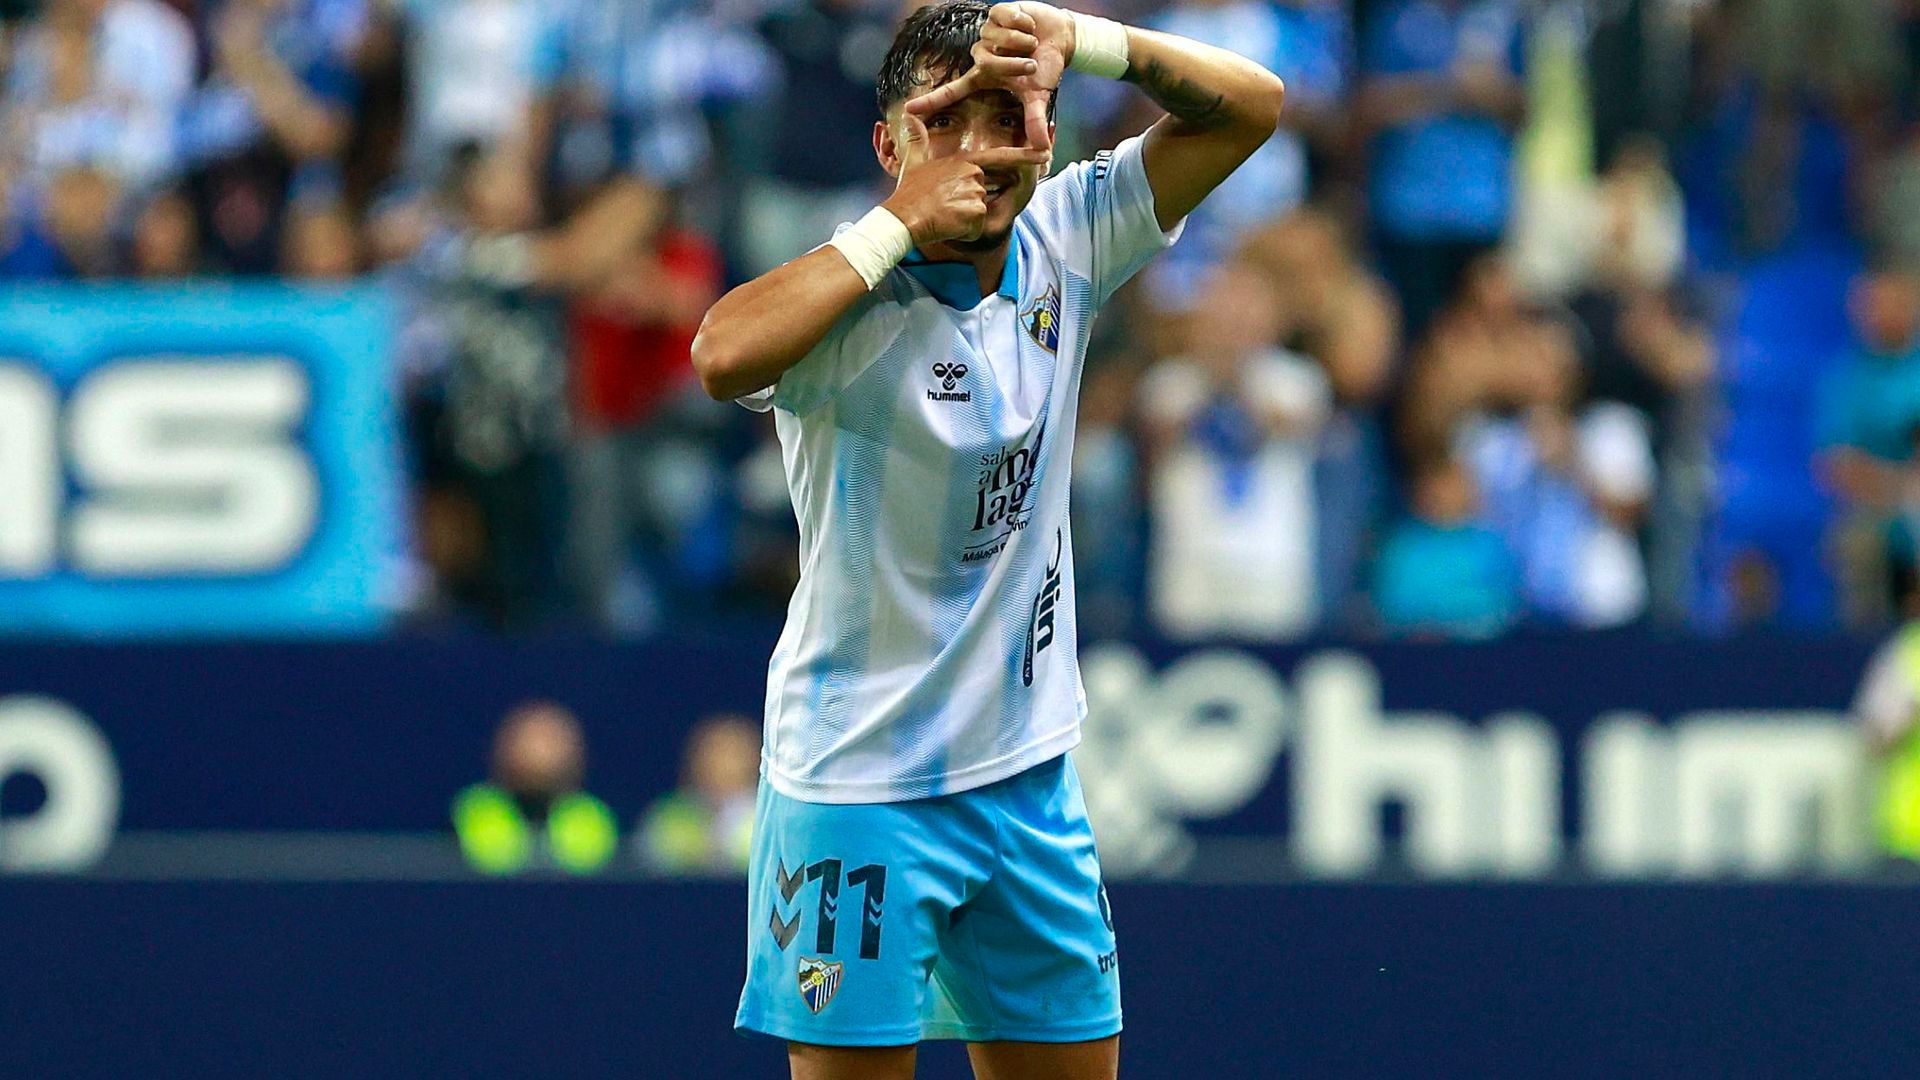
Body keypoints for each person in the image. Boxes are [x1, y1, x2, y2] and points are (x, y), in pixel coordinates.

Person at [690, 2, 1283, 1076]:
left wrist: (1086, 41)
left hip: (1025, 777)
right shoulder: (845, 301)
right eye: (946, 120)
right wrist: (896, 225)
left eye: (1009, 115)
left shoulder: (1070, 235)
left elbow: (1254, 107)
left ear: (1048, 131)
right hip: (856, 787)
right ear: (890, 145)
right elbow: (720, 353)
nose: (979, 150)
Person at [452, 700, 618, 876]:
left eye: (551, 741)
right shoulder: (475, 809)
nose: (538, 751)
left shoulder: (592, 816)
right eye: (529, 739)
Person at [638, 712, 760, 874]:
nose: (720, 762)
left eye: (732, 753)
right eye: (712, 750)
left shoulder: (770, 820)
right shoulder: (668, 816)